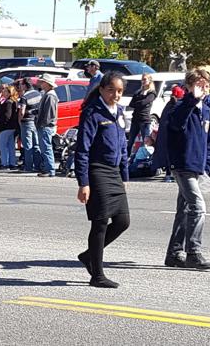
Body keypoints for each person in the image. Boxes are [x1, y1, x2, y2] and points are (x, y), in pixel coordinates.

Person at [74, 72, 130, 289]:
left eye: (119, 91)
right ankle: (97, 275)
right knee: (100, 223)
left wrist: (124, 175)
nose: (115, 95)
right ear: (101, 89)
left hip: (114, 172)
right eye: (111, 90)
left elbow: (123, 146)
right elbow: (83, 150)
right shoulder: (92, 113)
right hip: (97, 172)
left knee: (122, 221)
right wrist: (83, 182)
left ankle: (89, 256)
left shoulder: (119, 112)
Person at [165, 70, 210, 271]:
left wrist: (207, 164)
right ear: (188, 86)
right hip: (183, 165)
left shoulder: (205, 109)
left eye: (204, 84)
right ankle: (193, 252)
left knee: (184, 210)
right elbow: (176, 124)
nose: (201, 87)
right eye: (197, 84)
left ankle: (174, 253)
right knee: (198, 207)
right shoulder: (181, 106)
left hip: (196, 165)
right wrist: (190, 100)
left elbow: (207, 140)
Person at [153, 85, 185, 183]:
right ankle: (172, 174)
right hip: (174, 135)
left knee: (167, 154)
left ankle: (168, 173)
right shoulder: (179, 105)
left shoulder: (168, 104)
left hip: (165, 134)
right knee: (175, 155)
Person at [36, 73, 59, 177]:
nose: (41, 83)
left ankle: (50, 169)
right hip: (46, 125)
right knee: (45, 147)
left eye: (42, 82)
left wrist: (42, 124)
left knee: (46, 148)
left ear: (47, 83)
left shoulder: (50, 95)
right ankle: (47, 168)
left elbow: (49, 113)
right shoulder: (48, 94)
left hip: (46, 126)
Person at [126, 74, 156, 157]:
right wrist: (139, 103)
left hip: (145, 120)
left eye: (145, 79)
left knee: (146, 141)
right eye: (142, 79)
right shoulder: (138, 92)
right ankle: (126, 157)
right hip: (135, 119)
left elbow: (145, 102)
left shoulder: (152, 93)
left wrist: (138, 102)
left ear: (149, 80)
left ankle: (146, 157)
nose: (143, 81)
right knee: (130, 140)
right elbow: (131, 104)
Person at [15, 78, 41, 173]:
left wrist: (19, 121)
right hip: (36, 121)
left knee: (27, 145)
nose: (20, 86)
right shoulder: (38, 94)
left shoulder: (24, 97)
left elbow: (21, 111)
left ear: (25, 85)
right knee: (36, 144)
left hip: (26, 122)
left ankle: (28, 166)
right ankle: (38, 165)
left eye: (21, 84)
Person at [0, 85, 19, 170]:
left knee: (2, 145)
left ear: (10, 93)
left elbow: (7, 115)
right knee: (10, 145)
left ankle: (4, 163)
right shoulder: (13, 101)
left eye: (5, 91)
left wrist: (1, 124)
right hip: (12, 127)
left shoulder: (8, 102)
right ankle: (12, 163)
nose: (3, 92)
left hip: (6, 127)